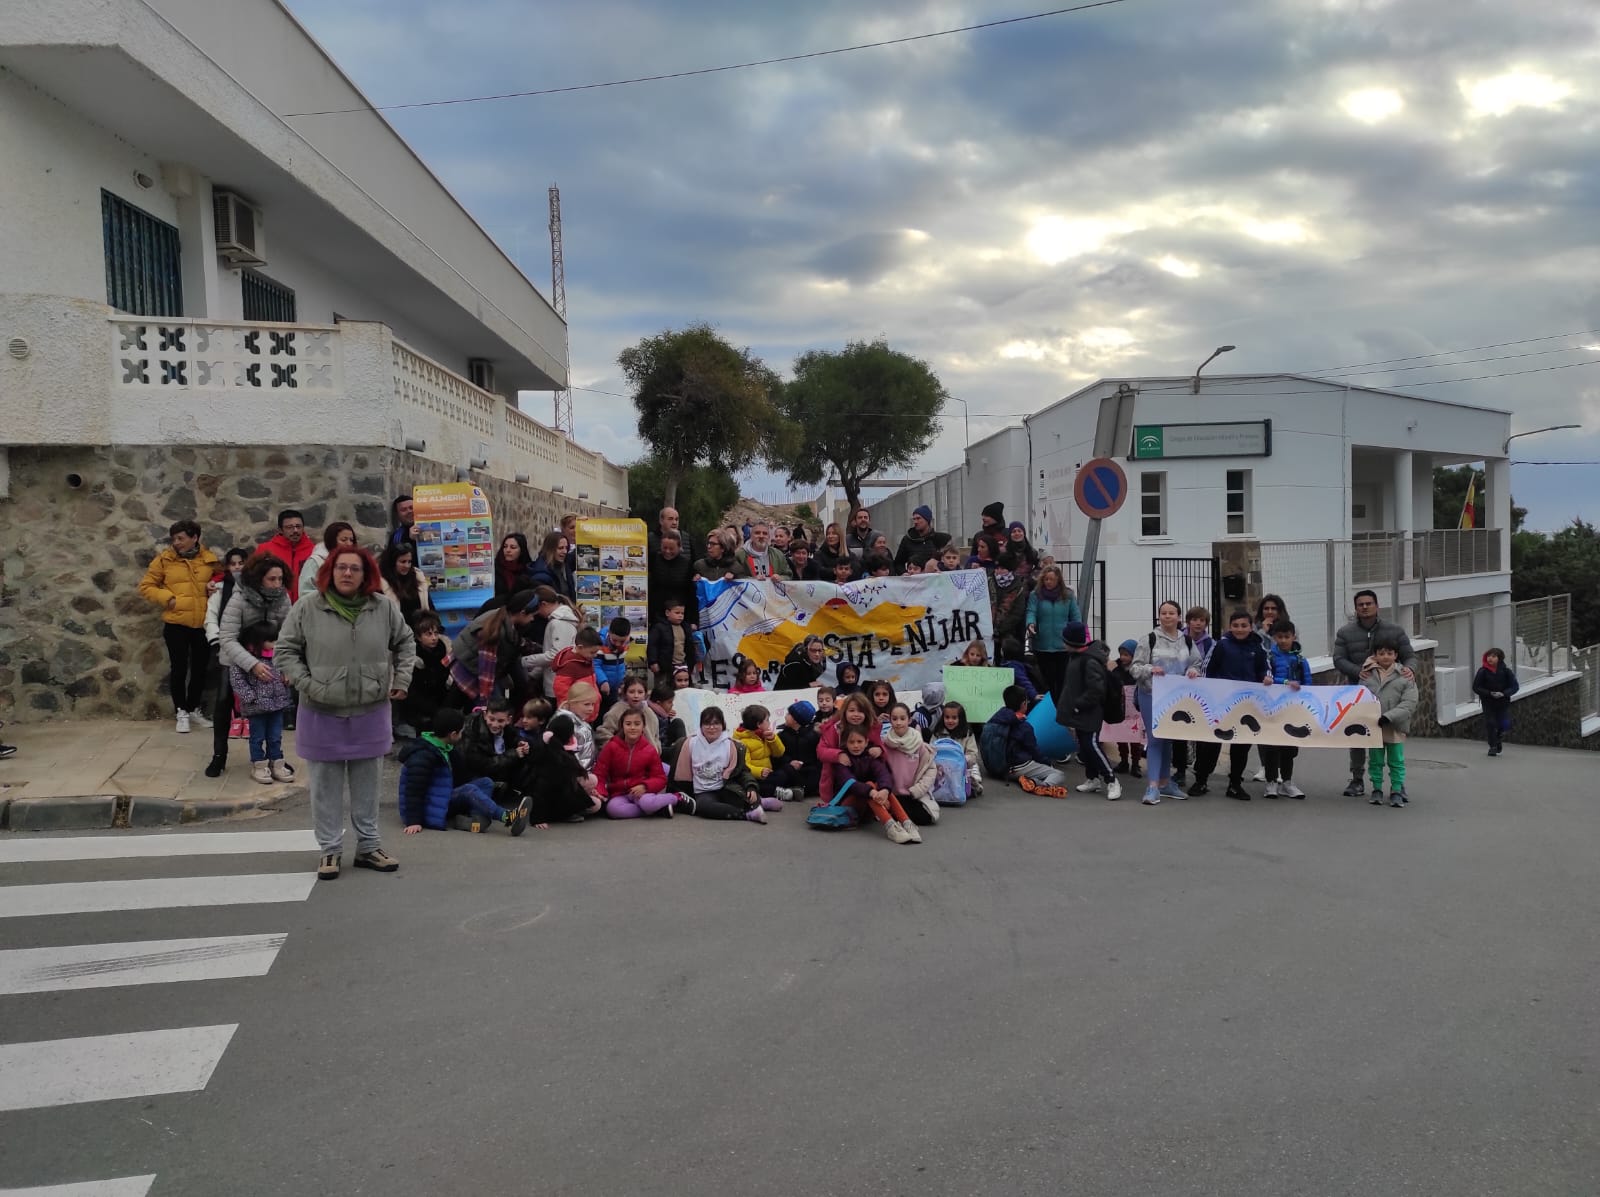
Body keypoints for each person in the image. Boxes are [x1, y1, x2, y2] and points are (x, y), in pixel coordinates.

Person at [275, 545, 416, 881]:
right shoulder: (308, 607)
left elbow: (406, 642)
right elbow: (285, 650)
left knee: (368, 785)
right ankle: (330, 850)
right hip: (322, 709)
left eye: (355, 568)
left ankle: (369, 847)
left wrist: (402, 678)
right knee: (325, 787)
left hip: (370, 708)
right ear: (330, 572)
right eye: (341, 568)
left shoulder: (382, 607)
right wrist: (307, 684)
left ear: (366, 574)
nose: (348, 573)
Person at [212, 551, 292, 779]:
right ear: (259, 579)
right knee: (223, 702)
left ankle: (275, 757)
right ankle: (219, 755)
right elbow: (227, 637)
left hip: (272, 659)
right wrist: (251, 664)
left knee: (277, 709)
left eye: (280, 579)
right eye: (272, 579)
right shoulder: (239, 599)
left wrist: (287, 666)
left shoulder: (283, 598)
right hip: (237, 659)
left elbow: (290, 634)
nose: (277, 584)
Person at [1333, 590, 1418, 798]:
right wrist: (1356, 671)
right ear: (1356, 608)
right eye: (1360, 604)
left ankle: (1398, 785)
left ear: (1377, 606)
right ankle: (1357, 779)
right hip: (1359, 694)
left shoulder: (1394, 630)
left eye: (1368, 603)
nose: (1364, 607)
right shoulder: (1345, 632)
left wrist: (1410, 670)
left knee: (1393, 742)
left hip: (1391, 695)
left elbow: (1409, 656)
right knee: (1357, 738)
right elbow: (1338, 659)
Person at [140, 519, 221, 735]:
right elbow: (146, 586)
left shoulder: (209, 560)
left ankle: (193, 708)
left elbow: (221, 579)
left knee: (200, 669)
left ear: (195, 537)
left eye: (181, 538)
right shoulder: (164, 560)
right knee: (178, 669)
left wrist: (214, 587)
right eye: (174, 538)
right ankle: (181, 712)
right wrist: (168, 598)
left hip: (202, 623)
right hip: (176, 623)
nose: (176, 543)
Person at [399, 708, 531, 837]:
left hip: (441, 797)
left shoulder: (447, 748)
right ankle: (507, 817)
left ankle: (475, 820)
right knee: (469, 790)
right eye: (461, 731)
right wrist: (413, 821)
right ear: (453, 734)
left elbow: (462, 777)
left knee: (485, 782)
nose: (463, 735)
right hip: (427, 808)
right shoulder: (422, 756)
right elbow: (413, 790)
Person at [1188, 610, 1272, 800]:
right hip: (1220, 704)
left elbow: (1264, 669)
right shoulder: (1221, 646)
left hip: (1247, 705)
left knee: (1241, 745)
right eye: (1235, 626)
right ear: (1229, 627)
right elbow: (1207, 670)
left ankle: (1235, 784)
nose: (1240, 629)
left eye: (1244, 626)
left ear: (1251, 627)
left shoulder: (1258, 648)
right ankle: (1201, 780)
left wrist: (1267, 678)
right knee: (1210, 743)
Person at [1130, 601, 1203, 805]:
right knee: (1155, 739)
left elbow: (1196, 663)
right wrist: (1149, 669)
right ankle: (1152, 787)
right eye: (1164, 613)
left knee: (1168, 738)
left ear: (1179, 617)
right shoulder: (1149, 639)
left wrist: (1193, 671)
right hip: (1151, 694)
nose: (1167, 616)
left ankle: (1165, 782)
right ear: (1159, 616)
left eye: (1172, 613)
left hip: (1176, 697)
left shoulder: (1187, 641)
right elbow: (1134, 667)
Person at [824, 725, 920, 844]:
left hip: (870, 805)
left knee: (880, 785)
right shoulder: (842, 760)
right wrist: (871, 791)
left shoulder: (870, 758)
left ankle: (906, 822)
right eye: (851, 742)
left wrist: (884, 790)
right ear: (845, 743)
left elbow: (883, 774)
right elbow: (850, 784)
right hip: (847, 807)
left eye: (859, 741)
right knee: (870, 785)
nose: (856, 745)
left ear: (866, 742)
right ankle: (890, 826)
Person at [1056, 622, 1120, 800]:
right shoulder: (1076, 657)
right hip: (1080, 712)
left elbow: (1096, 690)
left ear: (1071, 642)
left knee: (1092, 745)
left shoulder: (1089, 661)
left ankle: (1112, 780)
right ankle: (1092, 778)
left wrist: (1078, 704)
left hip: (1089, 712)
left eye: (1065, 641)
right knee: (1084, 747)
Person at [227, 621, 295, 785]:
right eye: (270, 640)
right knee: (257, 737)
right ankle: (259, 764)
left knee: (275, 736)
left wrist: (287, 678)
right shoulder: (245, 659)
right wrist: (251, 697)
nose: (274, 644)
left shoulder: (277, 655)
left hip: (277, 704)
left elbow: (286, 668)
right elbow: (237, 681)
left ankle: (276, 762)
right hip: (256, 707)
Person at [672, 707, 766, 823]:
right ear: (701, 725)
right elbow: (676, 773)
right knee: (704, 808)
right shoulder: (689, 744)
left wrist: (751, 787)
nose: (712, 727)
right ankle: (747, 815)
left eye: (716, 723)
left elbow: (743, 771)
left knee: (751, 798)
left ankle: (761, 803)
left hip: (726, 787)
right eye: (707, 723)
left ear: (723, 725)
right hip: (703, 792)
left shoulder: (732, 746)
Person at [594, 707, 685, 819]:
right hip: (619, 793)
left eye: (637, 724)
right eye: (628, 724)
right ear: (622, 726)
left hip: (641, 792)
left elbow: (660, 778)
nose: (632, 728)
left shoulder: (649, 750)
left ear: (643, 726)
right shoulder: (611, 747)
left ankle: (677, 797)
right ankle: (658, 810)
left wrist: (645, 786)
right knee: (613, 810)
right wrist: (601, 792)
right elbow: (599, 774)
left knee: (647, 803)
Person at [451, 590, 537, 708]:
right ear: (522, 613)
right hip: (468, 670)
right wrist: (487, 703)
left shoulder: (500, 614)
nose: (532, 619)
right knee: (494, 707)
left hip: (469, 665)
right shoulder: (494, 631)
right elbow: (486, 668)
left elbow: (515, 640)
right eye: (532, 615)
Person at [1362, 633, 1418, 807]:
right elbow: (1358, 698)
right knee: (1375, 761)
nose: (1385, 657)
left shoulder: (1405, 676)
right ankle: (1377, 788)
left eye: (1389, 653)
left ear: (1395, 655)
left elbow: (1409, 702)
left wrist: (1389, 717)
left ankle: (1396, 790)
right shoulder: (1367, 675)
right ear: (1375, 655)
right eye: (1381, 653)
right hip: (1374, 727)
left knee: (1396, 761)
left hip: (1394, 726)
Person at [1261, 620, 1313, 799]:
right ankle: (1271, 782)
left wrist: (1307, 700)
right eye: (1279, 637)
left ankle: (1287, 782)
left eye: (1286, 637)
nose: (1283, 640)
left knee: (1289, 747)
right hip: (1273, 708)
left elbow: (1307, 682)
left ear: (1293, 637)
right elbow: (1268, 678)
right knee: (1272, 747)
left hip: (1293, 709)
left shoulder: (1300, 660)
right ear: (1274, 638)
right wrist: (1283, 683)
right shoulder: (1270, 658)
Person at [995, 685, 1071, 797]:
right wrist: (1048, 763)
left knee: (1037, 769)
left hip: (1001, 766)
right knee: (1058, 774)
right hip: (1019, 766)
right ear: (1023, 704)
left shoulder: (998, 717)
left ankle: (1028, 779)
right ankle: (1040, 785)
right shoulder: (1024, 726)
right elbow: (1035, 751)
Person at [1170, 606, 1215, 787]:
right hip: (1179, 691)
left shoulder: (1211, 644)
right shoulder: (1177, 638)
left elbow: (1209, 665)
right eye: (1194, 619)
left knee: (1201, 733)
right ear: (1187, 621)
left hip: (1200, 692)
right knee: (1179, 733)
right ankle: (1180, 770)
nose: (1198, 623)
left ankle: (1200, 770)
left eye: (1202, 620)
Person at [815, 692, 884, 802]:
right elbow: (821, 751)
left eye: (860, 711)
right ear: (844, 712)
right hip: (841, 778)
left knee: (873, 791)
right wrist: (838, 755)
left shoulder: (871, 728)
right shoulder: (834, 729)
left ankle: (899, 817)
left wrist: (880, 749)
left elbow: (880, 746)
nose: (856, 714)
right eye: (852, 711)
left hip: (866, 774)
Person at [1026, 565, 1081, 701]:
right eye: (1046, 579)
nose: (1048, 582)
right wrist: (1030, 623)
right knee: (1047, 680)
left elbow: (1075, 616)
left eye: (1051, 579)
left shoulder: (1068, 595)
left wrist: (1078, 635)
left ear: (1058, 580)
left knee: (1062, 680)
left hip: (1062, 645)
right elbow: (1031, 611)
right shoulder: (1035, 595)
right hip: (1042, 644)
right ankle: (1049, 707)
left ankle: (1062, 707)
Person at [394, 611, 449, 740]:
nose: (434, 638)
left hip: (438, 697)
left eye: (436, 633)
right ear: (418, 637)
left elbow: (443, 681)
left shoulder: (442, 650)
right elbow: (413, 691)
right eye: (428, 634)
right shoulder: (412, 658)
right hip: (417, 702)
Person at [883, 702, 939, 827]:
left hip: (914, 793)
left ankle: (897, 813)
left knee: (926, 818)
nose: (898, 722)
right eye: (895, 719)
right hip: (893, 794)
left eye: (902, 718)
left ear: (909, 720)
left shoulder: (919, 744)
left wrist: (917, 790)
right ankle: (896, 812)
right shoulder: (886, 744)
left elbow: (930, 769)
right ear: (890, 720)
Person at [520, 588, 583, 697]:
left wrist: (524, 661)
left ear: (543, 604)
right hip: (557, 682)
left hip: (557, 685)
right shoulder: (560, 621)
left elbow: (556, 655)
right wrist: (534, 674)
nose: (536, 614)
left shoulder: (559, 623)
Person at [732, 704, 788, 812]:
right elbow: (744, 766)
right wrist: (760, 771)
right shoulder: (743, 741)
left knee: (786, 770)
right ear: (758, 724)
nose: (769, 722)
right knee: (764, 786)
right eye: (767, 720)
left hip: (768, 771)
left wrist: (773, 739)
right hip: (755, 777)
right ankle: (777, 792)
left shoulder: (764, 734)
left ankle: (782, 790)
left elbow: (779, 753)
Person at [455, 698, 525, 784]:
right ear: (485, 715)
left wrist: (521, 743)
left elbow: (514, 736)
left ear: (508, 720)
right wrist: (514, 754)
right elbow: (482, 765)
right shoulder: (472, 731)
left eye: (500, 721)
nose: (495, 725)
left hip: (497, 768)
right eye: (491, 719)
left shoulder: (507, 728)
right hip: (472, 775)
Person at [764, 700, 820, 801]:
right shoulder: (782, 735)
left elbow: (816, 759)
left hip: (806, 772)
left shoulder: (813, 736)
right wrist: (789, 762)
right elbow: (778, 755)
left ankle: (793, 791)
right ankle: (789, 791)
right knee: (781, 774)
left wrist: (803, 764)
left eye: (789, 714)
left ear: (796, 720)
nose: (785, 716)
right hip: (788, 770)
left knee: (815, 775)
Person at [595, 676, 663, 752]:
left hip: (649, 756)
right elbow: (603, 733)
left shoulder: (649, 713)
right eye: (631, 692)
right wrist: (617, 750)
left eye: (640, 692)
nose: (636, 696)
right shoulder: (617, 710)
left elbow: (656, 736)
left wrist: (656, 749)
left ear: (645, 695)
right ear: (625, 693)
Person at [259, 510, 315, 603]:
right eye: (289, 527)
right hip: (274, 607)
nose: (295, 530)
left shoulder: (313, 551)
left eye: (298, 526)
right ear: (280, 530)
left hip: (305, 607)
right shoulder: (265, 550)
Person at [1473, 647, 1520, 757]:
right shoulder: (1482, 671)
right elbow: (1476, 687)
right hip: (1488, 702)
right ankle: (1493, 746)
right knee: (1490, 723)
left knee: (1504, 723)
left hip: (1503, 702)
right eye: (1489, 656)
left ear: (1499, 658)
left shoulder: (1506, 672)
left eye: (1493, 656)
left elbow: (1515, 686)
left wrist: (1504, 693)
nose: (1490, 658)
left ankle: (1499, 736)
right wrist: (1489, 693)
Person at [647, 530, 696, 628]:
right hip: (656, 614)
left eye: (671, 548)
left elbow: (691, 594)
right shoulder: (654, 559)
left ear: (679, 547)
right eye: (664, 548)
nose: (667, 551)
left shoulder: (686, 564)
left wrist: (693, 620)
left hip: (678, 616)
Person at [1109, 640, 1142, 780]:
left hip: (1134, 709)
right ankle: (1123, 761)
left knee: (1135, 738)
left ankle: (1135, 763)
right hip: (1120, 708)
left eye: (1127, 655)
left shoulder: (1137, 670)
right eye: (1122, 654)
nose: (1123, 657)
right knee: (1120, 736)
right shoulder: (1116, 669)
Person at [298, 522, 357, 598]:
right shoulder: (316, 561)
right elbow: (305, 592)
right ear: (331, 540)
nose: (349, 544)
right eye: (343, 540)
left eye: (351, 540)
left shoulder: (356, 562)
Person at [937, 701, 983, 796]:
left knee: (967, 786)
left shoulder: (967, 734)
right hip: (941, 768)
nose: (950, 721)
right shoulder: (938, 733)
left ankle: (973, 785)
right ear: (943, 718)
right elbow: (931, 749)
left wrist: (964, 760)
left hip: (960, 768)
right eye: (947, 717)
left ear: (960, 719)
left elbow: (973, 753)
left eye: (954, 718)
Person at [379, 542, 431, 624]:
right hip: (397, 632)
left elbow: (429, 606)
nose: (407, 565)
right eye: (403, 562)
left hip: (420, 631)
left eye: (409, 562)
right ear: (393, 562)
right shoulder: (382, 584)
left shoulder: (418, 578)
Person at [646, 598, 698, 679]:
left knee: (682, 688)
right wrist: (653, 662)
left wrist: (692, 663)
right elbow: (652, 645)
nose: (680, 615)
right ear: (667, 613)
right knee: (664, 689)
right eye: (677, 613)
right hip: (664, 667)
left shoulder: (686, 627)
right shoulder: (659, 627)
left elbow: (690, 647)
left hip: (683, 665)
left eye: (682, 613)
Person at [989, 558, 1031, 658]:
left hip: (1010, 634)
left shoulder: (1018, 586)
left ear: (1010, 570)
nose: (998, 571)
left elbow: (1017, 612)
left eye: (1002, 568)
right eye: (997, 568)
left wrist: (1001, 629)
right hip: (990, 633)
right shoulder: (989, 582)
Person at [549, 627, 602, 704]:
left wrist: (597, 696)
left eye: (596, 652)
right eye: (592, 652)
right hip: (577, 711)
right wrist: (571, 706)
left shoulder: (587, 659)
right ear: (580, 647)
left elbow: (592, 682)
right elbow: (561, 690)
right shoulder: (569, 665)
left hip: (589, 707)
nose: (595, 655)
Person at [593, 618, 632, 709]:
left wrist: (622, 680)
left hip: (615, 688)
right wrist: (603, 681)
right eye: (614, 640)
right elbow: (595, 665)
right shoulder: (600, 643)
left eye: (621, 641)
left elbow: (621, 663)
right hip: (601, 686)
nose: (618, 644)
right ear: (609, 633)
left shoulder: (627, 642)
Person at [648, 682, 687, 767]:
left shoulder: (661, 712)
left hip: (665, 741)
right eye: (669, 702)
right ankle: (681, 753)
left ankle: (683, 747)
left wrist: (666, 714)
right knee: (674, 751)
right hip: (656, 748)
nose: (672, 705)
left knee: (678, 722)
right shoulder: (649, 715)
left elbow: (666, 729)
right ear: (658, 703)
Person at [529, 530, 573, 600]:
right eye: (560, 548)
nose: (565, 551)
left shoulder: (563, 564)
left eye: (566, 548)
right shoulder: (541, 575)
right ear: (550, 549)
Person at [495, 533, 536, 598]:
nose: (508, 550)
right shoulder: (495, 568)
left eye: (513, 547)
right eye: (505, 546)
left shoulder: (529, 570)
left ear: (521, 550)